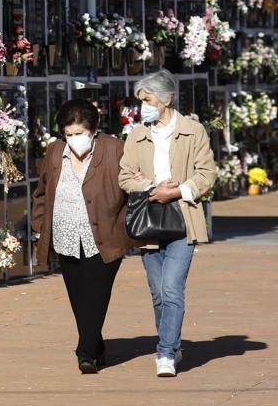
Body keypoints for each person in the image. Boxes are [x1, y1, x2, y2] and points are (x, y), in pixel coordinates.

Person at [120, 70, 216, 378]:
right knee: (158, 292)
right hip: (149, 221)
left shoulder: (193, 131)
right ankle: (172, 343)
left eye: (148, 100)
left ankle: (165, 353)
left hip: (183, 219)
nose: (143, 106)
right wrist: (152, 188)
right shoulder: (136, 135)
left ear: (167, 100)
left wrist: (175, 191)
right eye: (141, 100)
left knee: (172, 287)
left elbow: (206, 174)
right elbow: (125, 176)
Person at [31, 99, 131, 374]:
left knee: (96, 295)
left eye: (80, 133)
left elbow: (132, 187)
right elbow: (42, 190)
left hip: (104, 236)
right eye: (69, 134)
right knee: (78, 298)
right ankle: (96, 347)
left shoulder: (116, 149)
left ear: (94, 129)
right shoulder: (55, 152)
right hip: (65, 234)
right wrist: (40, 223)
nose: (75, 139)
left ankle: (85, 352)